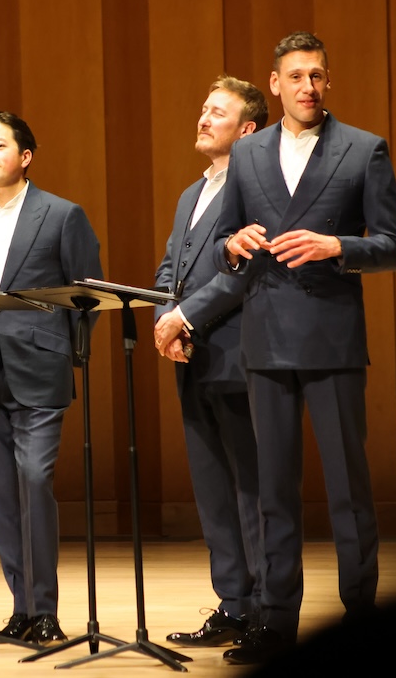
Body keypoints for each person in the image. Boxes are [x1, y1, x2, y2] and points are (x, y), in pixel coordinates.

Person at [215, 31, 396, 664]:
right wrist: (233, 242)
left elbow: (393, 245)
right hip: (266, 340)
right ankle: (277, 621)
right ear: (275, 84)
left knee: (349, 487)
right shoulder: (245, 157)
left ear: (328, 81)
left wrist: (339, 247)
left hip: (332, 338)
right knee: (273, 488)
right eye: (296, 76)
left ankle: (360, 612)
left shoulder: (364, 149)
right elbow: (224, 240)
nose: (308, 86)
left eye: (318, 75)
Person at [0, 111, 103, 646]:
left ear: (26, 157)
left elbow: (88, 296)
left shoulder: (62, 215)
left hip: (40, 367)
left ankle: (46, 608)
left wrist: (67, 352)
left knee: (34, 481)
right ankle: (21, 606)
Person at [152, 76, 268, 648]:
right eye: (202, 109)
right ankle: (232, 602)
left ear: (247, 129)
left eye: (216, 112)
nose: (202, 118)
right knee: (211, 487)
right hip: (193, 357)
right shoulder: (190, 193)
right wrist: (164, 319)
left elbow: (243, 272)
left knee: (251, 487)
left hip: (237, 354)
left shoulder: (257, 188)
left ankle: (265, 608)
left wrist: (186, 318)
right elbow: (169, 269)